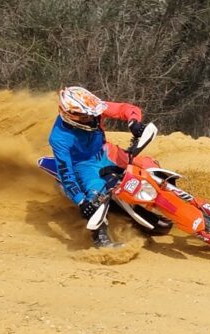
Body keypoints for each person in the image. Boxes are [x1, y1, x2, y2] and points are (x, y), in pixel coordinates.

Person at [48, 85, 151, 248]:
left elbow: (125, 108)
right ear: (71, 116)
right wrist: (81, 202)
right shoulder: (59, 138)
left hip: (106, 151)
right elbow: (66, 174)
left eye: (92, 114)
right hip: (84, 165)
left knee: (149, 165)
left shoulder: (93, 108)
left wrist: (133, 122)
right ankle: (101, 239)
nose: (92, 118)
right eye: (85, 117)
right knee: (97, 197)